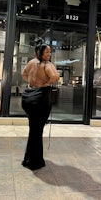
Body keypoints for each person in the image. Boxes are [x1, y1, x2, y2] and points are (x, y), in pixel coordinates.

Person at [21, 37, 60, 170]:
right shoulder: (47, 65)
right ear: (40, 53)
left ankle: (28, 159)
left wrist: (32, 83)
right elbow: (55, 76)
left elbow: (23, 74)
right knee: (37, 131)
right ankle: (34, 162)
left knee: (34, 130)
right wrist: (46, 84)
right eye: (47, 53)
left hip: (28, 97)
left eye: (50, 52)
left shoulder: (31, 62)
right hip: (39, 100)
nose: (49, 55)